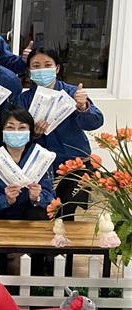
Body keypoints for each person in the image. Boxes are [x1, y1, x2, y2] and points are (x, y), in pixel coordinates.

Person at [18, 47, 103, 218]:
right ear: (29, 70)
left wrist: (83, 107)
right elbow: (15, 135)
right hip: (41, 168)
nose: (42, 70)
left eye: (47, 65)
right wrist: (34, 134)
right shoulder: (24, 99)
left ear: (57, 68)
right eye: (36, 66)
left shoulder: (73, 93)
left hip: (74, 165)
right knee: (39, 212)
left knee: (68, 211)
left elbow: (95, 122)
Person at [0, 106, 55, 219]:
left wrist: (37, 197)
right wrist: (6, 199)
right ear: (2, 130)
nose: (16, 132)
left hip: (32, 214)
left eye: (22, 127)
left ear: (30, 131)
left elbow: (50, 196)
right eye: (10, 127)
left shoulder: (41, 155)